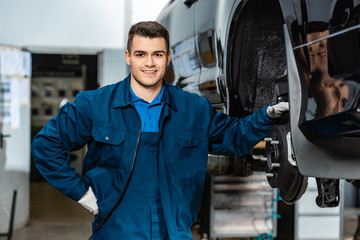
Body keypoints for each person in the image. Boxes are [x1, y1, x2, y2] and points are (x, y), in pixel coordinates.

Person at [31, 21, 288, 240]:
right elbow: (45, 146)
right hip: (116, 229)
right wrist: (83, 194)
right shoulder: (95, 104)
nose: (149, 63)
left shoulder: (193, 109)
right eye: (141, 54)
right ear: (128, 57)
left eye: (157, 54)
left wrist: (265, 116)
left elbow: (234, 138)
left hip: (174, 230)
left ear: (168, 57)